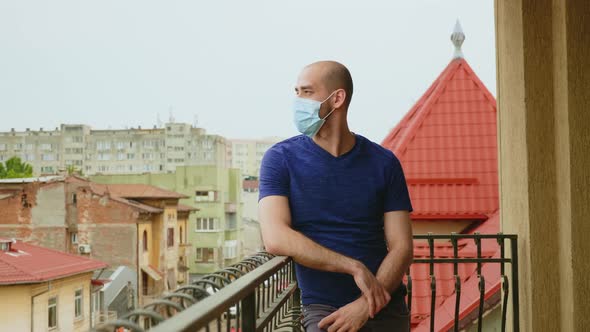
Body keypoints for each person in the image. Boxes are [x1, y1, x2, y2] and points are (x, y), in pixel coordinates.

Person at [258, 61, 413, 332]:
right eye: (296, 92)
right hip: (324, 311)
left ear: (337, 98)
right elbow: (275, 237)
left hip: (384, 302)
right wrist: (352, 267)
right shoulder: (280, 159)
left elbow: (402, 246)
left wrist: (365, 305)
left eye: (306, 92)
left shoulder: (384, 162)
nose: (297, 101)